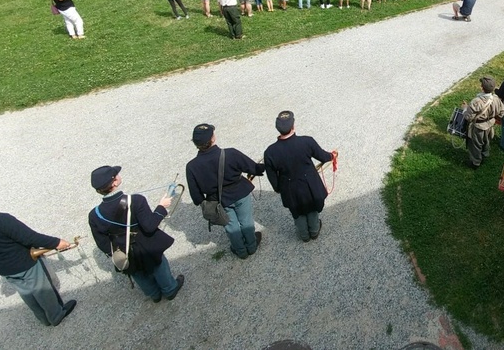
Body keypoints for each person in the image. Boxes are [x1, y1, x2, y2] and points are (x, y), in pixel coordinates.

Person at [0, 183, 77, 326]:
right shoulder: (0, 219)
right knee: (42, 290)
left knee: (26, 293)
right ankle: (56, 315)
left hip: (2, 267)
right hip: (24, 262)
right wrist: (57, 242)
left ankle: (43, 319)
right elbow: (30, 237)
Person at [87, 166, 184, 303]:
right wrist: (162, 207)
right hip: (145, 243)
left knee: (136, 272)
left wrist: (115, 252)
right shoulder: (136, 200)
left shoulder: (94, 214)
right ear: (114, 182)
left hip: (122, 249)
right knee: (158, 265)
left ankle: (154, 294)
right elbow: (149, 226)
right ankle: (169, 289)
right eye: (116, 174)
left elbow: (102, 242)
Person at [185, 123, 264, 258]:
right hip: (240, 193)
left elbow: (196, 197)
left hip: (218, 201)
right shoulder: (231, 153)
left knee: (231, 226)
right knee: (246, 220)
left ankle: (240, 251)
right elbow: (254, 168)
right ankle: (251, 245)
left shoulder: (191, 166)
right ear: (213, 139)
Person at [263, 111, 337, 242]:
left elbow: (272, 177)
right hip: (309, 184)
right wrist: (332, 156)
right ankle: (314, 231)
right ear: (293, 126)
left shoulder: (270, 152)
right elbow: (323, 156)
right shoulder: (307, 141)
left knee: (296, 211)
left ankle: (304, 235)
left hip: (289, 187)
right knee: (312, 207)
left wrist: (278, 188)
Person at [462, 76, 504, 169]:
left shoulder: (477, 101)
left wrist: (465, 108)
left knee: (476, 144)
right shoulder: (496, 99)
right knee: (486, 141)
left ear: (482, 88)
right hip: (490, 124)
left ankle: (475, 162)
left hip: (478, 127)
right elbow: (502, 112)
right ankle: (485, 154)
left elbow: (468, 117)